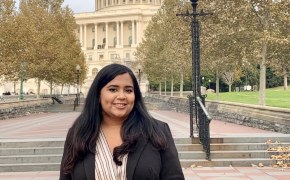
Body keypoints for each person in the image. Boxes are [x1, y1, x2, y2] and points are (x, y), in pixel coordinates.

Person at [59, 64, 184, 180]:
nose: (122, 96)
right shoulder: (78, 133)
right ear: (98, 95)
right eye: (113, 89)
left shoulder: (157, 130)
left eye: (128, 90)